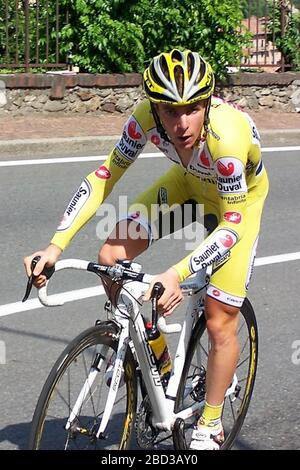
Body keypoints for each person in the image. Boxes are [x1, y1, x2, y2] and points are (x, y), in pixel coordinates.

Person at [24, 49, 269, 450]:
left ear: (207, 103)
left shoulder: (228, 136)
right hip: (187, 185)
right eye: (170, 111)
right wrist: (55, 246)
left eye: (192, 109)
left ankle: (209, 424)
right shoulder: (142, 121)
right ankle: (153, 359)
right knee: (110, 258)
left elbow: (234, 225)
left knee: (219, 315)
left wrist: (176, 273)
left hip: (236, 208)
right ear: (155, 108)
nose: (182, 123)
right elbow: (104, 177)